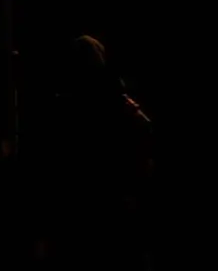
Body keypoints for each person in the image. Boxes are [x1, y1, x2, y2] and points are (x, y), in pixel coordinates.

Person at [31, 35, 154, 271]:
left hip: (81, 216)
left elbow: (48, 172)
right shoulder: (117, 106)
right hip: (108, 213)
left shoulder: (63, 112)